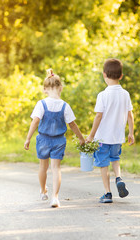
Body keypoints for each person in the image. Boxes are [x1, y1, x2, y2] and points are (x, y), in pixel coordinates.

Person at [24, 69, 85, 208]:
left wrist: (28, 138)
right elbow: (72, 124)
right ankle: (55, 197)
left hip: (43, 139)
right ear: (61, 88)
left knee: (43, 167)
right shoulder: (65, 106)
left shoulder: (41, 104)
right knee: (56, 168)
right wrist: (81, 138)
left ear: (45, 89)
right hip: (59, 140)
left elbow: (35, 122)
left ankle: (43, 190)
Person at [86, 58, 135, 203]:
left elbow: (99, 116)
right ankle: (118, 177)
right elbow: (130, 115)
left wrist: (91, 136)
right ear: (121, 76)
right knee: (115, 159)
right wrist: (131, 133)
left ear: (104, 75)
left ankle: (107, 193)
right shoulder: (125, 94)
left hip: (102, 138)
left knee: (103, 164)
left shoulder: (103, 95)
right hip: (117, 137)